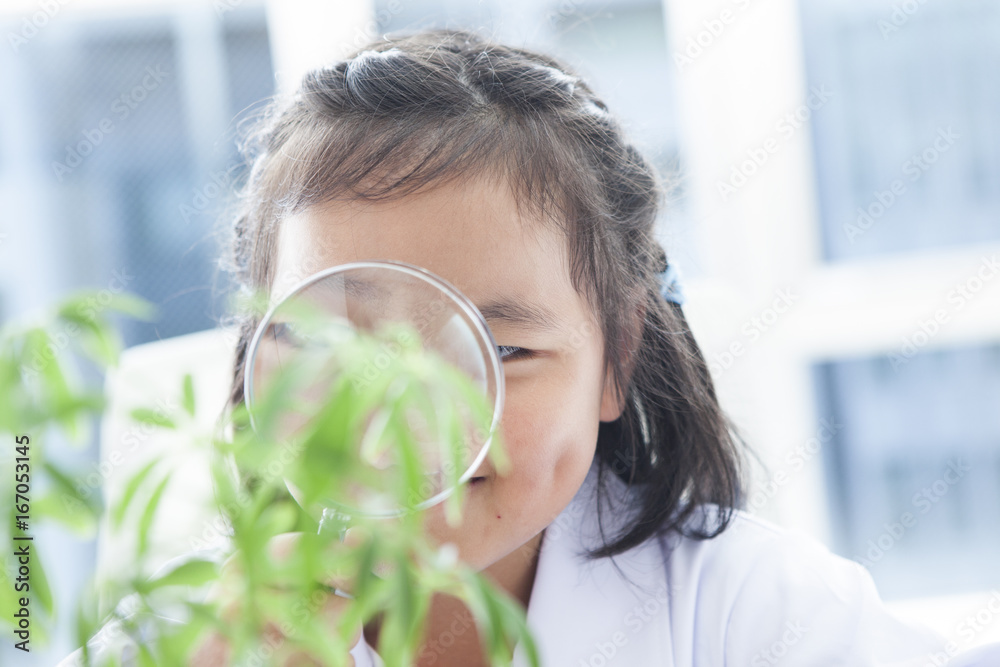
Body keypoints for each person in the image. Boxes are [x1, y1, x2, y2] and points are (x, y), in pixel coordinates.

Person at [190, 26, 999, 667]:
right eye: (333, 341)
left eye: (502, 352)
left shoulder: (750, 608)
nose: (412, 418)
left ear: (615, 356)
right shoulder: (187, 637)